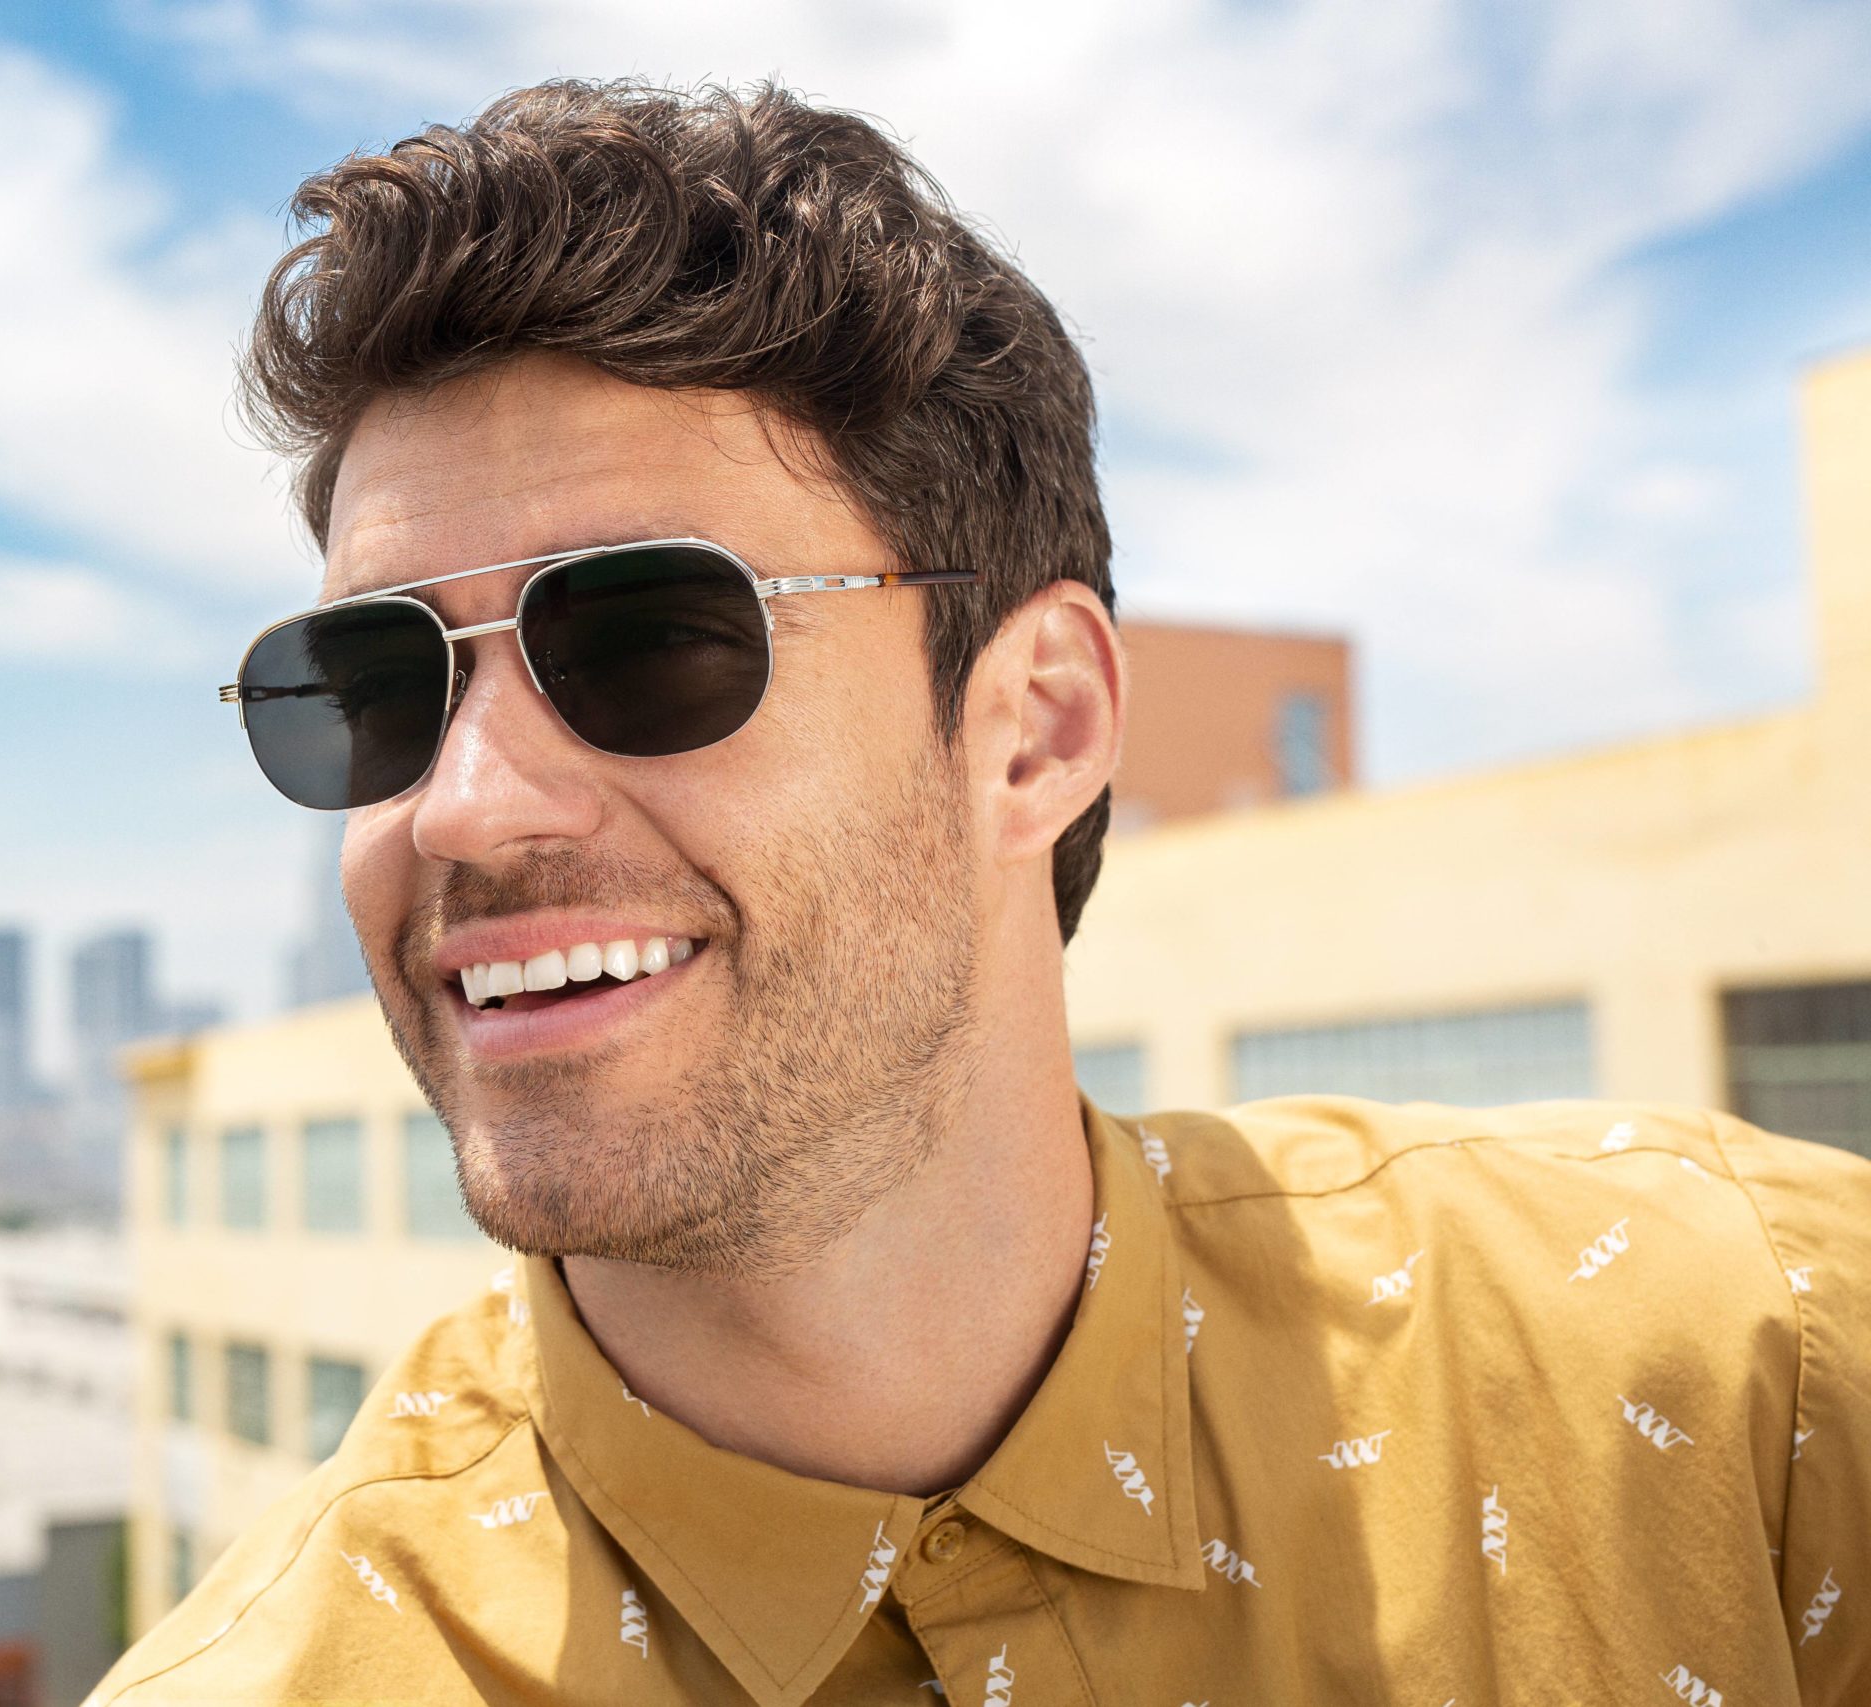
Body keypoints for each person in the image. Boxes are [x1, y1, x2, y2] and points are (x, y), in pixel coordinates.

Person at [92, 80, 1868, 1706]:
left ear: (1038, 730)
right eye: (378, 689)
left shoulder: (1741, 1369)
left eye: (646, 638)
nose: (466, 805)